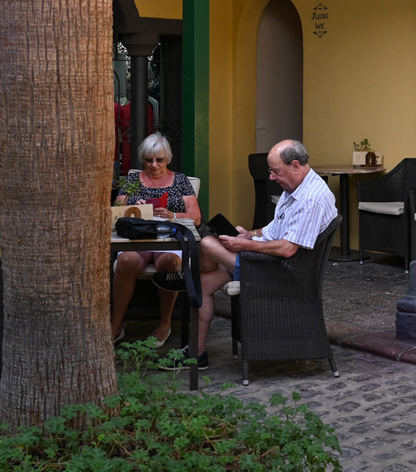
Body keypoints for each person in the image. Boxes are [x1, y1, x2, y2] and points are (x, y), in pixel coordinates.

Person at [160, 139, 337, 371]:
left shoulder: (310, 199)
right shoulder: (295, 187)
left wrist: (244, 246)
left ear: (295, 165)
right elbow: (276, 228)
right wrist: (250, 234)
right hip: (266, 262)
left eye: (275, 171)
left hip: (280, 272)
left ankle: (185, 274)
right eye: (270, 171)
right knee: (202, 283)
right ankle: (197, 353)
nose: (272, 177)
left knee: (207, 244)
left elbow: (287, 248)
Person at [111, 133, 201, 346]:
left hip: (168, 239)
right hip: (138, 241)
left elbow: (196, 218)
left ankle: (164, 323)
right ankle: (116, 325)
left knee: (171, 262)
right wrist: (133, 208)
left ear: (167, 159)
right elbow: (115, 212)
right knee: (125, 261)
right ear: (142, 159)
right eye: (148, 160)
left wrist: (173, 215)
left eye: (159, 160)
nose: (153, 165)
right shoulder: (133, 180)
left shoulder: (180, 180)